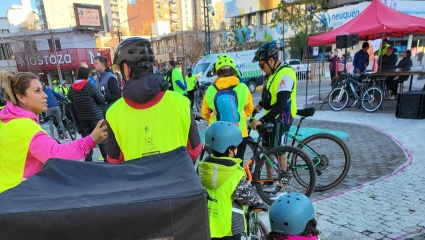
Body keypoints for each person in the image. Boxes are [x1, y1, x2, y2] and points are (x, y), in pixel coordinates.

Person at [0, 71, 107, 193]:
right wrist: (91, 140)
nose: (45, 95)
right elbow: (57, 155)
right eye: (37, 91)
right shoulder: (26, 128)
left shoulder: (5, 117)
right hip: (20, 194)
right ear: (21, 97)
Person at [106, 37, 201, 163]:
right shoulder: (181, 103)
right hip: (178, 180)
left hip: (138, 182)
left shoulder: (113, 113)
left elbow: (115, 160)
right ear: (152, 67)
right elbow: (195, 149)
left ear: (126, 69)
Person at [197, 121, 261, 240]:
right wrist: (257, 200)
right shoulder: (234, 173)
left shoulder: (202, 168)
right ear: (230, 150)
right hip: (230, 228)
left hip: (205, 224)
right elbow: (249, 197)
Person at [250, 41, 297, 183]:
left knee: (279, 151)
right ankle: (270, 181)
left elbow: (281, 104)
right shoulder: (272, 75)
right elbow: (269, 99)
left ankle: (281, 185)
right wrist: (257, 106)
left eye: (262, 65)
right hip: (272, 117)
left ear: (271, 60)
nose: (262, 69)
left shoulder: (285, 73)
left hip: (283, 117)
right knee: (266, 148)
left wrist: (262, 120)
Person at [201, 54, 254, 160]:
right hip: (239, 133)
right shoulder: (243, 88)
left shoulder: (211, 90)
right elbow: (249, 109)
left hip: (217, 135)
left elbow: (204, 114)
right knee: (237, 166)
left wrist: (212, 116)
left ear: (217, 72)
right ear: (233, 70)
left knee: (219, 167)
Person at [68, 67, 107, 162]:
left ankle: (88, 163)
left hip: (82, 119)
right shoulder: (90, 86)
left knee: (87, 141)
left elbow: (70, 100)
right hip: (96, 118)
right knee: (101, 140)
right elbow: (101, 100)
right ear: (86, 75)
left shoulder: (71, 89)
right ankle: (107, 161)